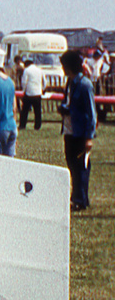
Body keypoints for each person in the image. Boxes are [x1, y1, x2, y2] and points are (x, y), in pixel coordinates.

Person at [59, 49, 97, 211]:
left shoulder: (84, 85)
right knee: (72, 165)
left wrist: (89, 137)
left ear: (68, 67)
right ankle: (77, 196)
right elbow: (68, 102)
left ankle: (80, 200)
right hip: (69, 130)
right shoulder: (70, 83)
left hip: (80, 133)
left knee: (80, 166)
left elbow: (92, 113)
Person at [19, 55, 44, 130]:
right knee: (37, 111)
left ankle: (22, 125)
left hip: (29, 93)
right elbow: (44, 81)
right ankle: (37, 126)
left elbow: (24, 82)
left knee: (25, 111)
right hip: (38, 93)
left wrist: (23, 90)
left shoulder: (27, 70)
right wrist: (42, 89)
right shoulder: (40, 70)